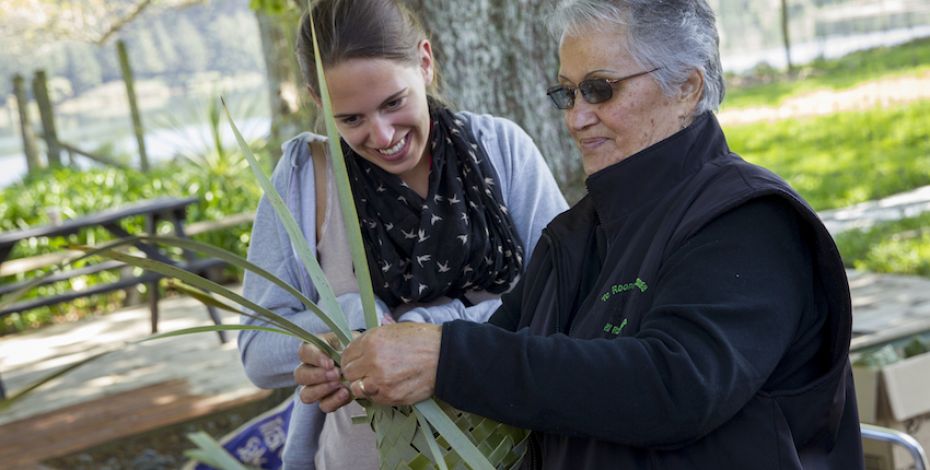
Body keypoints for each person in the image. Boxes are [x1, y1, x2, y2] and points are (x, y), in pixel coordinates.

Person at [295, 0, 866, 468]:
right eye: (567, 93)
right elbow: (508, 353)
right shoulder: (576, 233)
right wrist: (367, 367)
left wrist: (447, 356)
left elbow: (676, 387)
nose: (575, 117)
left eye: (600, 89)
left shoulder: (748, 220)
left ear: (687, 87)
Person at [238, 0, 568, 468]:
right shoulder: (303, 180)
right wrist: (348, 322)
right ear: (317, 101)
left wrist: (433, 336)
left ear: (425, 63)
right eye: (350, 119)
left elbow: (567, 300)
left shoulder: (501, 149)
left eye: (394, 103)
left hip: (515, 453)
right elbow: (256, 349)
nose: (382, 134)